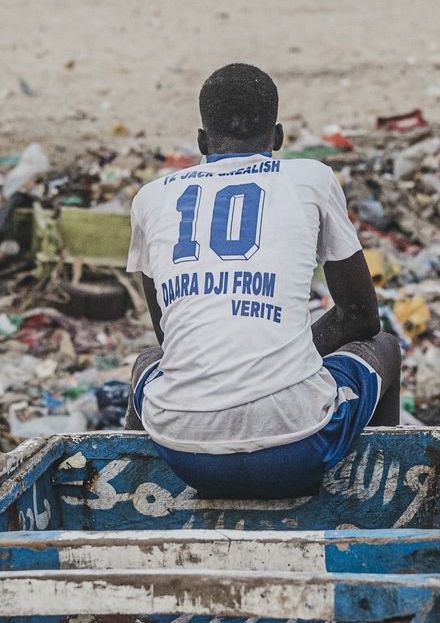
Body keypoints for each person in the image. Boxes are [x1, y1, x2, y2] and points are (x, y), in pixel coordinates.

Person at [120, 63, 400, 498]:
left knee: (147, 362)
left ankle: (134, 504)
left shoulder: (152, 197)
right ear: (279, 137)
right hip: (297, 449)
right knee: (383, 348)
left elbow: (169, 339)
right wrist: (285, 356)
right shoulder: (311, 178)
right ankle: (381, 498)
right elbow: (362, 318)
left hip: (186, 456)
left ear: (201, 142)